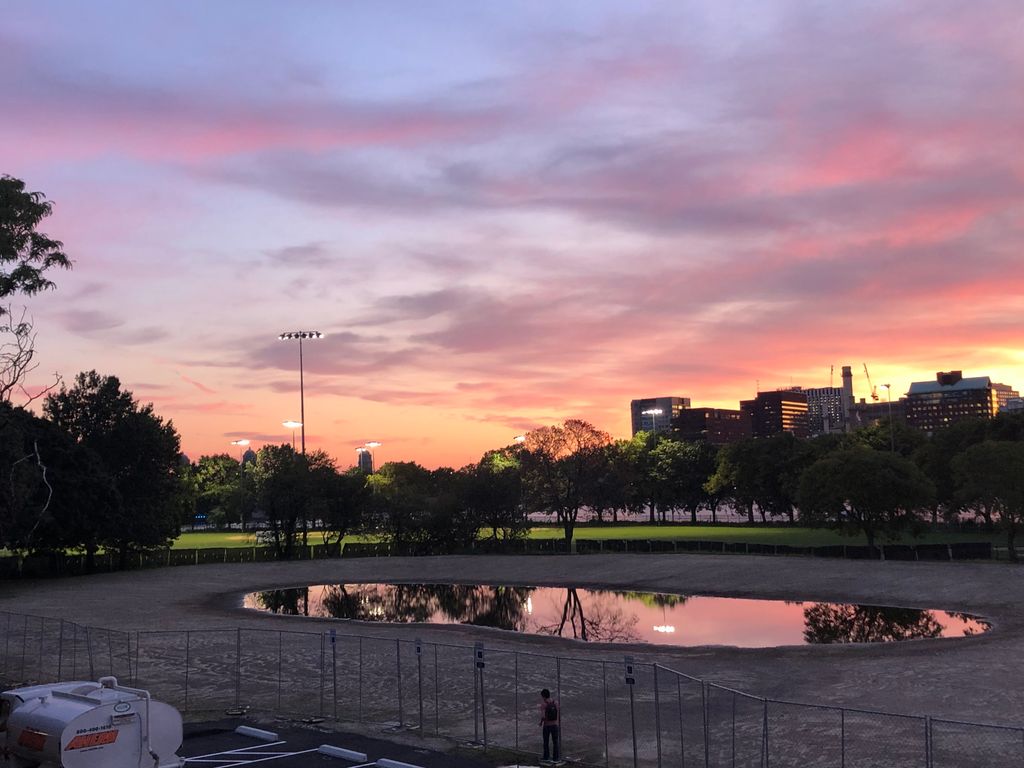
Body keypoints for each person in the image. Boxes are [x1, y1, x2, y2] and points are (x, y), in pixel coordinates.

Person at [538, 688, 560, 763]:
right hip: (555, 725)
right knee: (555, 742)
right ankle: (556, 758)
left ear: (544, 696)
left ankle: (546, 757)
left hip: (547, 726)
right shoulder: (555, 702)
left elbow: (543, 716)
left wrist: (541, 723)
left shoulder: (544, 705)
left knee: (546, 742)